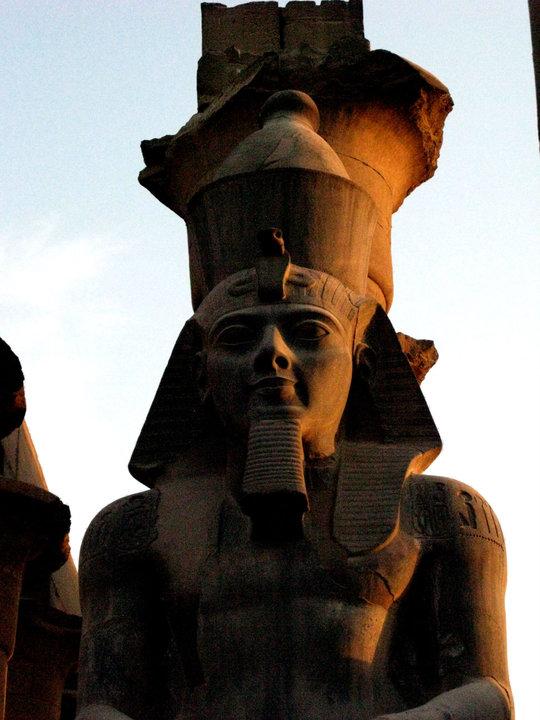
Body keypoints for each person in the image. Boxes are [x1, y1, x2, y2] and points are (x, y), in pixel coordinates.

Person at [76, 91, 512, 720]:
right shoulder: (128, 532)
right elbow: (102, 708)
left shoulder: (445, 513)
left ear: (363, 359)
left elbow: (489, 695)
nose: (272, 355)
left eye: (307, 332)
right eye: (238, 338)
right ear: (198, 373)